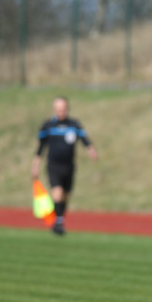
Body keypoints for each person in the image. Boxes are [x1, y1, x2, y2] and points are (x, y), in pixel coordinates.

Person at [31, 96, 98, 235]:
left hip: (69, 166)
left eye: (63, 108)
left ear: (67, 108)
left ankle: (58, 219)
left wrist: (91, 149)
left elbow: (84, 139)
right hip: (54, 165)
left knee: (65, 196)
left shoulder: (74, 124)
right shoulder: (48, 125)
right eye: (58, 109)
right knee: (57, 192)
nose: (61, 111)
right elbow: (40, 147)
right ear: (55, 109)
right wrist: (35, 165)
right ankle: (58, 222)